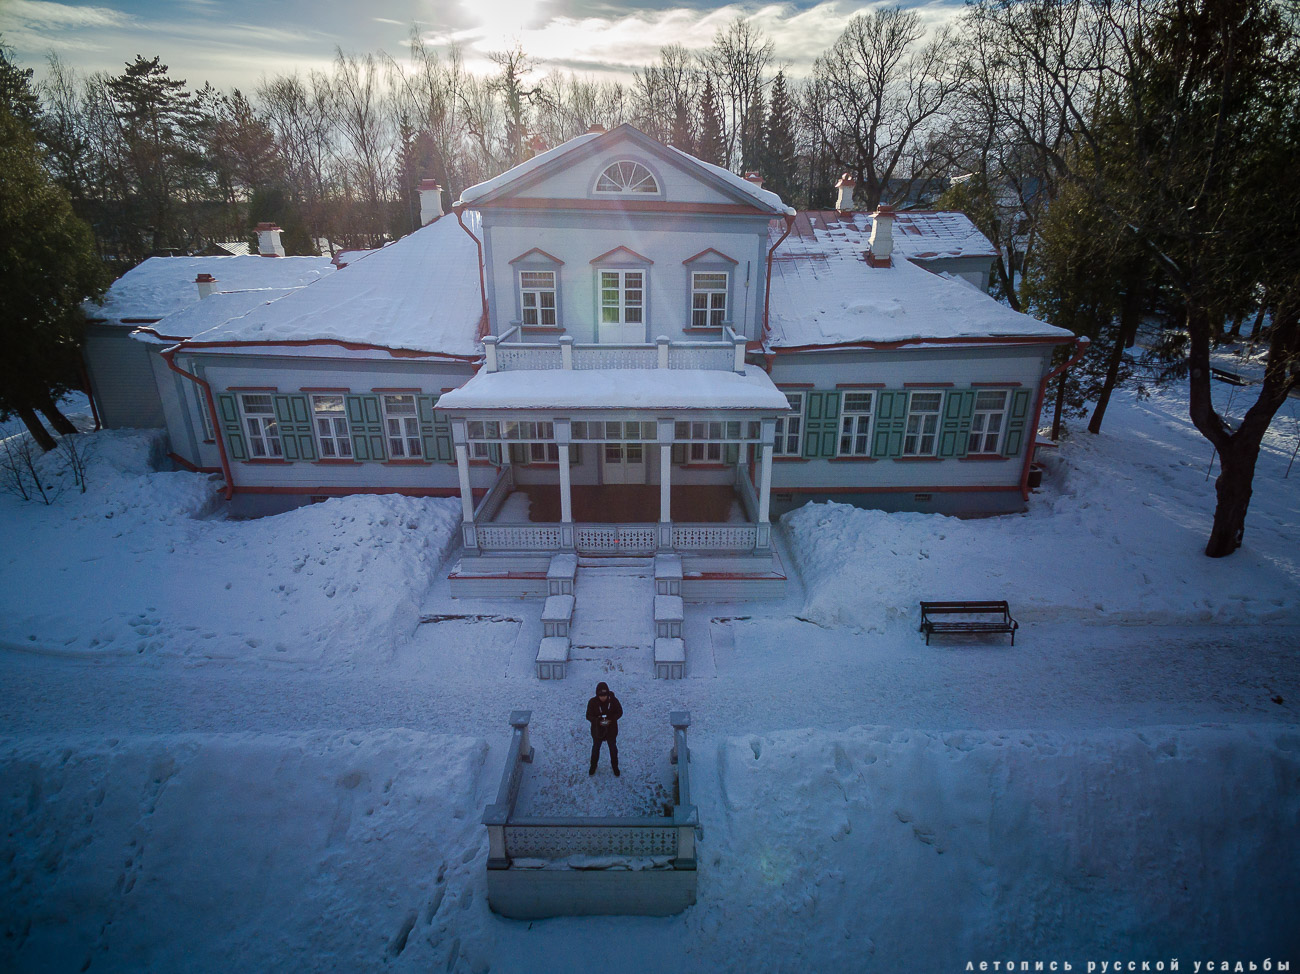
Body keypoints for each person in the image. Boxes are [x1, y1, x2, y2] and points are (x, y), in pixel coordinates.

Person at [585, 681, 622, 776]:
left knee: (613, 749)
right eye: (600, 695)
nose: (603, 697)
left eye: (605, 695)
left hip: (611, 730)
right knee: (595, 748)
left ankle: (615, 766)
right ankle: (593, 765)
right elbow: (588, 715)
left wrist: (612, 719)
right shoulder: (592, 702)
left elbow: (620, 712)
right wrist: (597, 720)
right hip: (597, 730)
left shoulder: (614, 701)